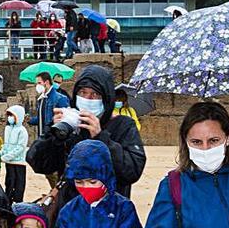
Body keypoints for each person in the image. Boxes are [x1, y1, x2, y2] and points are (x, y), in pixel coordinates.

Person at [26, 65, 147, 210]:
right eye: (82, 93)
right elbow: (38, 163)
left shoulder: (123, 125)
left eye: (95, 94)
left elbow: (132, 171)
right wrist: (54, 134)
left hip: (110, 211)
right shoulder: (71, 125)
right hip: (70, 212)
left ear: (106, 98)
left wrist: (101, 137)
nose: (88, 99)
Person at [26, 72, 69, 139]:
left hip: (53, 139)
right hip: (42, 138)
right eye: (36, 83)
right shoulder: (41, 99)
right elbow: (41, 118)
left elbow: (64, 122)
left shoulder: (60, 98)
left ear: (46, 82)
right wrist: (29, 120)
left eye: (39, 83)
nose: (37, 86)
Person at [1, 105, 29, 203]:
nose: (10, 118)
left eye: (12, 115)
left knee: (19, 185)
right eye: (8, 115)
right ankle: (8, 202)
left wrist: (7, 157)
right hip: (9, 162)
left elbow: (20, 148)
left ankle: (18, 203)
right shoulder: (8, 129)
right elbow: (6, 144)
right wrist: (1, 153)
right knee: (9, 183)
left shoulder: (22, 131)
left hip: (19, 162)